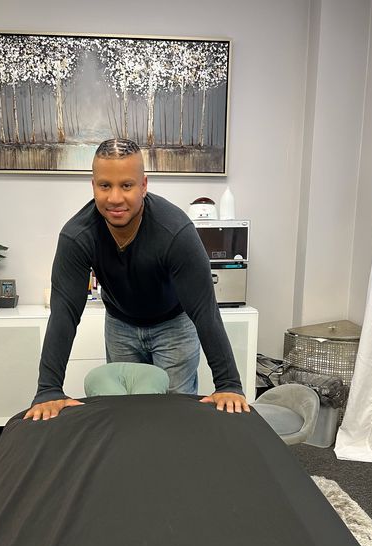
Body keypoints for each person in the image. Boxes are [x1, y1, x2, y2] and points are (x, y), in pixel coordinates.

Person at [24, 138, 249, 421]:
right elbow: (64, 313)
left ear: (143, 185)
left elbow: (205, 310)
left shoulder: (175, 232)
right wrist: (48, 390)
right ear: (93, 186)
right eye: (105, 185)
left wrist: (228, 384)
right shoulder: (77, 236)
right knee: (124, 414)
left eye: (127, 185)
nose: (115, 198)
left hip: (174, 325)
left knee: (175, 414)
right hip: (121, 325)